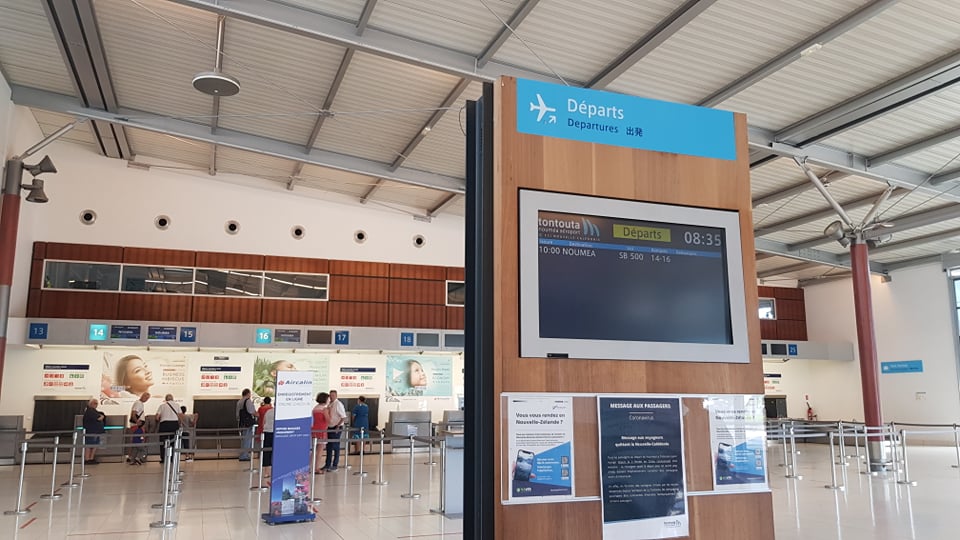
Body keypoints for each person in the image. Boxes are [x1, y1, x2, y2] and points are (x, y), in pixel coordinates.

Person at [322, 389, 347, 472]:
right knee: (329, 446)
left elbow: (343, 417)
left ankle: (335, 465)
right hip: (329, 427)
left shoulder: (338, 404)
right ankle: (327, 464)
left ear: (336, 396)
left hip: (336, 427)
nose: (331, 397)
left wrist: (338, 426)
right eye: (330, 396)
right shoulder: (330, 404)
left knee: (335, 446)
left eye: (333, 395)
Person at [126, 392, 150, 463]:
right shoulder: (138, 403)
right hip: (137, 426)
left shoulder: (140, 404)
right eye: (146, 397)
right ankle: (136, 457)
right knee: (138, 442)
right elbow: (133, 413)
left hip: (138, 425)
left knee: (135, 441)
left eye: (147, 398)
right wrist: (137, 422)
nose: (146, 399)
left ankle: (132, 457)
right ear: (142, 396)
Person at [82, 398, 105, 464]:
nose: (96, 405)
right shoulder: (90, 411)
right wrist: (102, 416)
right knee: (89, 445)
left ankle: (91, 458)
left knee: (94, 445)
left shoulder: (93, 411)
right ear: (91, 404)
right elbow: (99, 418)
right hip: (91, 431)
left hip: (95, 431)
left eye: (97, 403)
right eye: (95, 403)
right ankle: (87, 459)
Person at [236, 388, 257, 461]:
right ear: (248, 394)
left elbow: (237, 414)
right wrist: (257, 414)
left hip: (241, 422)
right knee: (247, 439)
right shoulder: (247, 401)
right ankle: (244, 455)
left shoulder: (239, 401)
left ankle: (243, 454)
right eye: (250, 393)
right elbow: (251, 411)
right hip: (248, 423)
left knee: (243, 439)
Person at [312, 392, 329, 474]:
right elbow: (328, 420)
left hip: (314, 429)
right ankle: (317, 468)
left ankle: (311, 466)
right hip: (322, 430)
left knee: (314, 450)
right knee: (320, 450)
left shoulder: (315, 408)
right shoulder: (324, 409)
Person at [262, 404, 275, 475]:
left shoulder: (268, 411)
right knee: (276, 452)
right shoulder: (279, 412)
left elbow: (264, 422)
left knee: (267, 452)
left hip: (267, 432)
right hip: (275, 433)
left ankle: (266, 472)